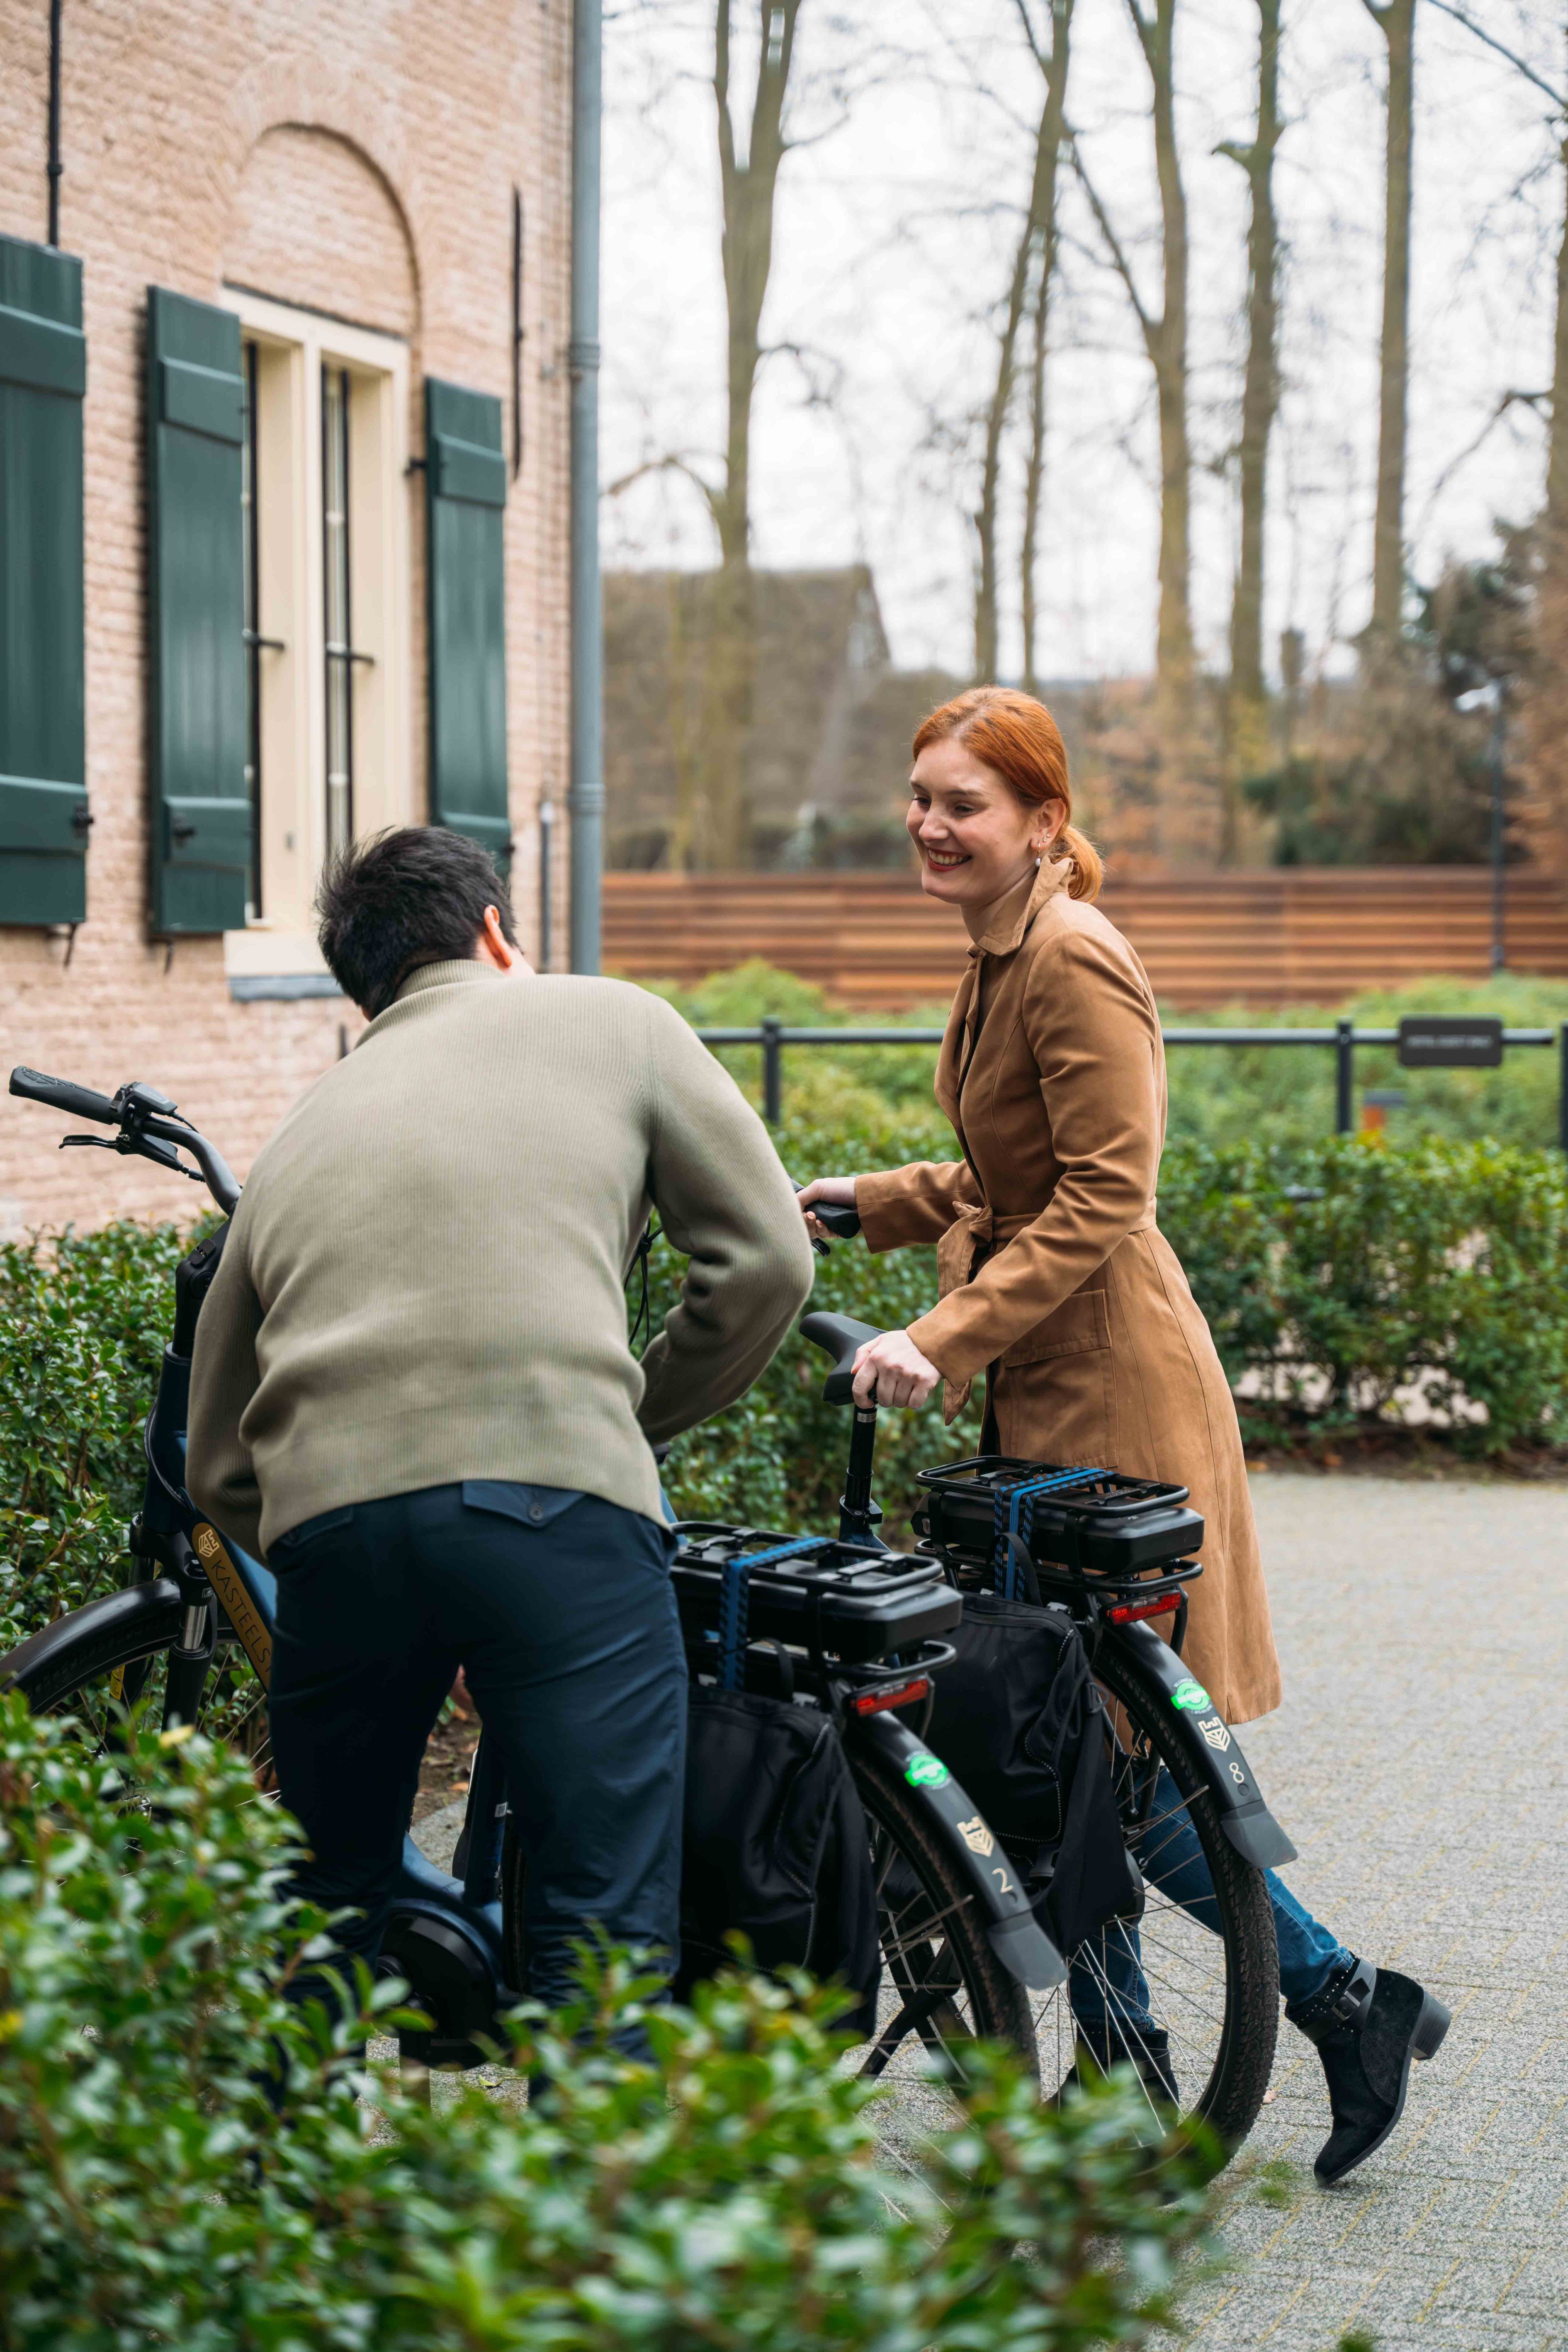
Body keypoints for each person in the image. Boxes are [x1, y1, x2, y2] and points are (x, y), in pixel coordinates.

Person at [797, 687, 1449, 2185]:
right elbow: (995, 1169)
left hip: (1110, 1400)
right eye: (919, 796)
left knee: (1090, 1763)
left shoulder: (1074, 957)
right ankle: (1299, 2021)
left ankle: (1254, 2033)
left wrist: (936, 1337)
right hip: (1050, 1393)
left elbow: (1103, 1197)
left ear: (1041, 818)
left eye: (963, 802)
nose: (929, 823)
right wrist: (857, 1201)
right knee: (1077, 1760)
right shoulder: (1001, 948)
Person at [189, 824, 814, 2038]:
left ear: (366, 987)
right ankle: (581, 2222)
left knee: (323, 1896)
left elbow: (216, 1461)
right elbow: (766, 1263)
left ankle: (285, 2199)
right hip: (561, 1505)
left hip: (336, 1536)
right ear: (493, 933)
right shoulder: (619, 1022)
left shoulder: (300, 1134)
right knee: (602, 1928)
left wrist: (356, 1531)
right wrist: (621, 1423)